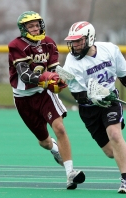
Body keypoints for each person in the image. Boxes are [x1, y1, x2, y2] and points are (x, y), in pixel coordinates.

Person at [63, 21, 126, 194]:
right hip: (88, 109)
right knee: (110, 153)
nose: (75, 45)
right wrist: (96, 95)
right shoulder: (71, 62)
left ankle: (125, 180)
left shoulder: (110, 50)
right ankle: (124, 160)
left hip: (111, 102)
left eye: (79, 41)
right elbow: (77, 95)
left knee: (114, 134)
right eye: (72, 42)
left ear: (90, 38)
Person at [8, 11, 85, 190]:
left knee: (59, 128)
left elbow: (55, 67)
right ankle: (54, 149)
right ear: (23, 29)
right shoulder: (16, 45)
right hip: (23, 98)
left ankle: (70, 174)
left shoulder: (49, 42)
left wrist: (69, 77)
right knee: (44, 142)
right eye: (30, 26)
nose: (35, 29)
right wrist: (46, 77)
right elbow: (25, 76)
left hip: (44, 94)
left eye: (37, 25)